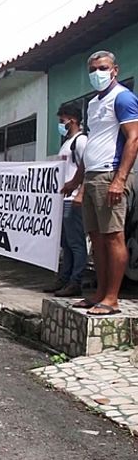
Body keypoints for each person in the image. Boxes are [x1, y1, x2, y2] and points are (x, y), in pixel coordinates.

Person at [62, 50, 138, 316]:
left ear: (114, 70)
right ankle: (99, 294)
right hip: (93, 176)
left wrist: (120, 180)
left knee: (113, 236)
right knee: (96, 238)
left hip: (110, 175)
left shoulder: (123, 98)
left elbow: (133, 139)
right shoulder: (93, 104)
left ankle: (112, 298)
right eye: (93, 69)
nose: (98, 73)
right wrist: (77, 181)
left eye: (103, 68)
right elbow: (93, 145)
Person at [43, 104, 88, 297]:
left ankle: (75, 281)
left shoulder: (81, 141)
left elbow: (88, 167)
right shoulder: (67, 142)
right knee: (66, 243)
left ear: (73, 120)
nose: (61, 124)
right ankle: (65, 278)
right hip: (63, 199)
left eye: (62, 120)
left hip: (74, 198)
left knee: (76, 243)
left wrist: (81, 194)